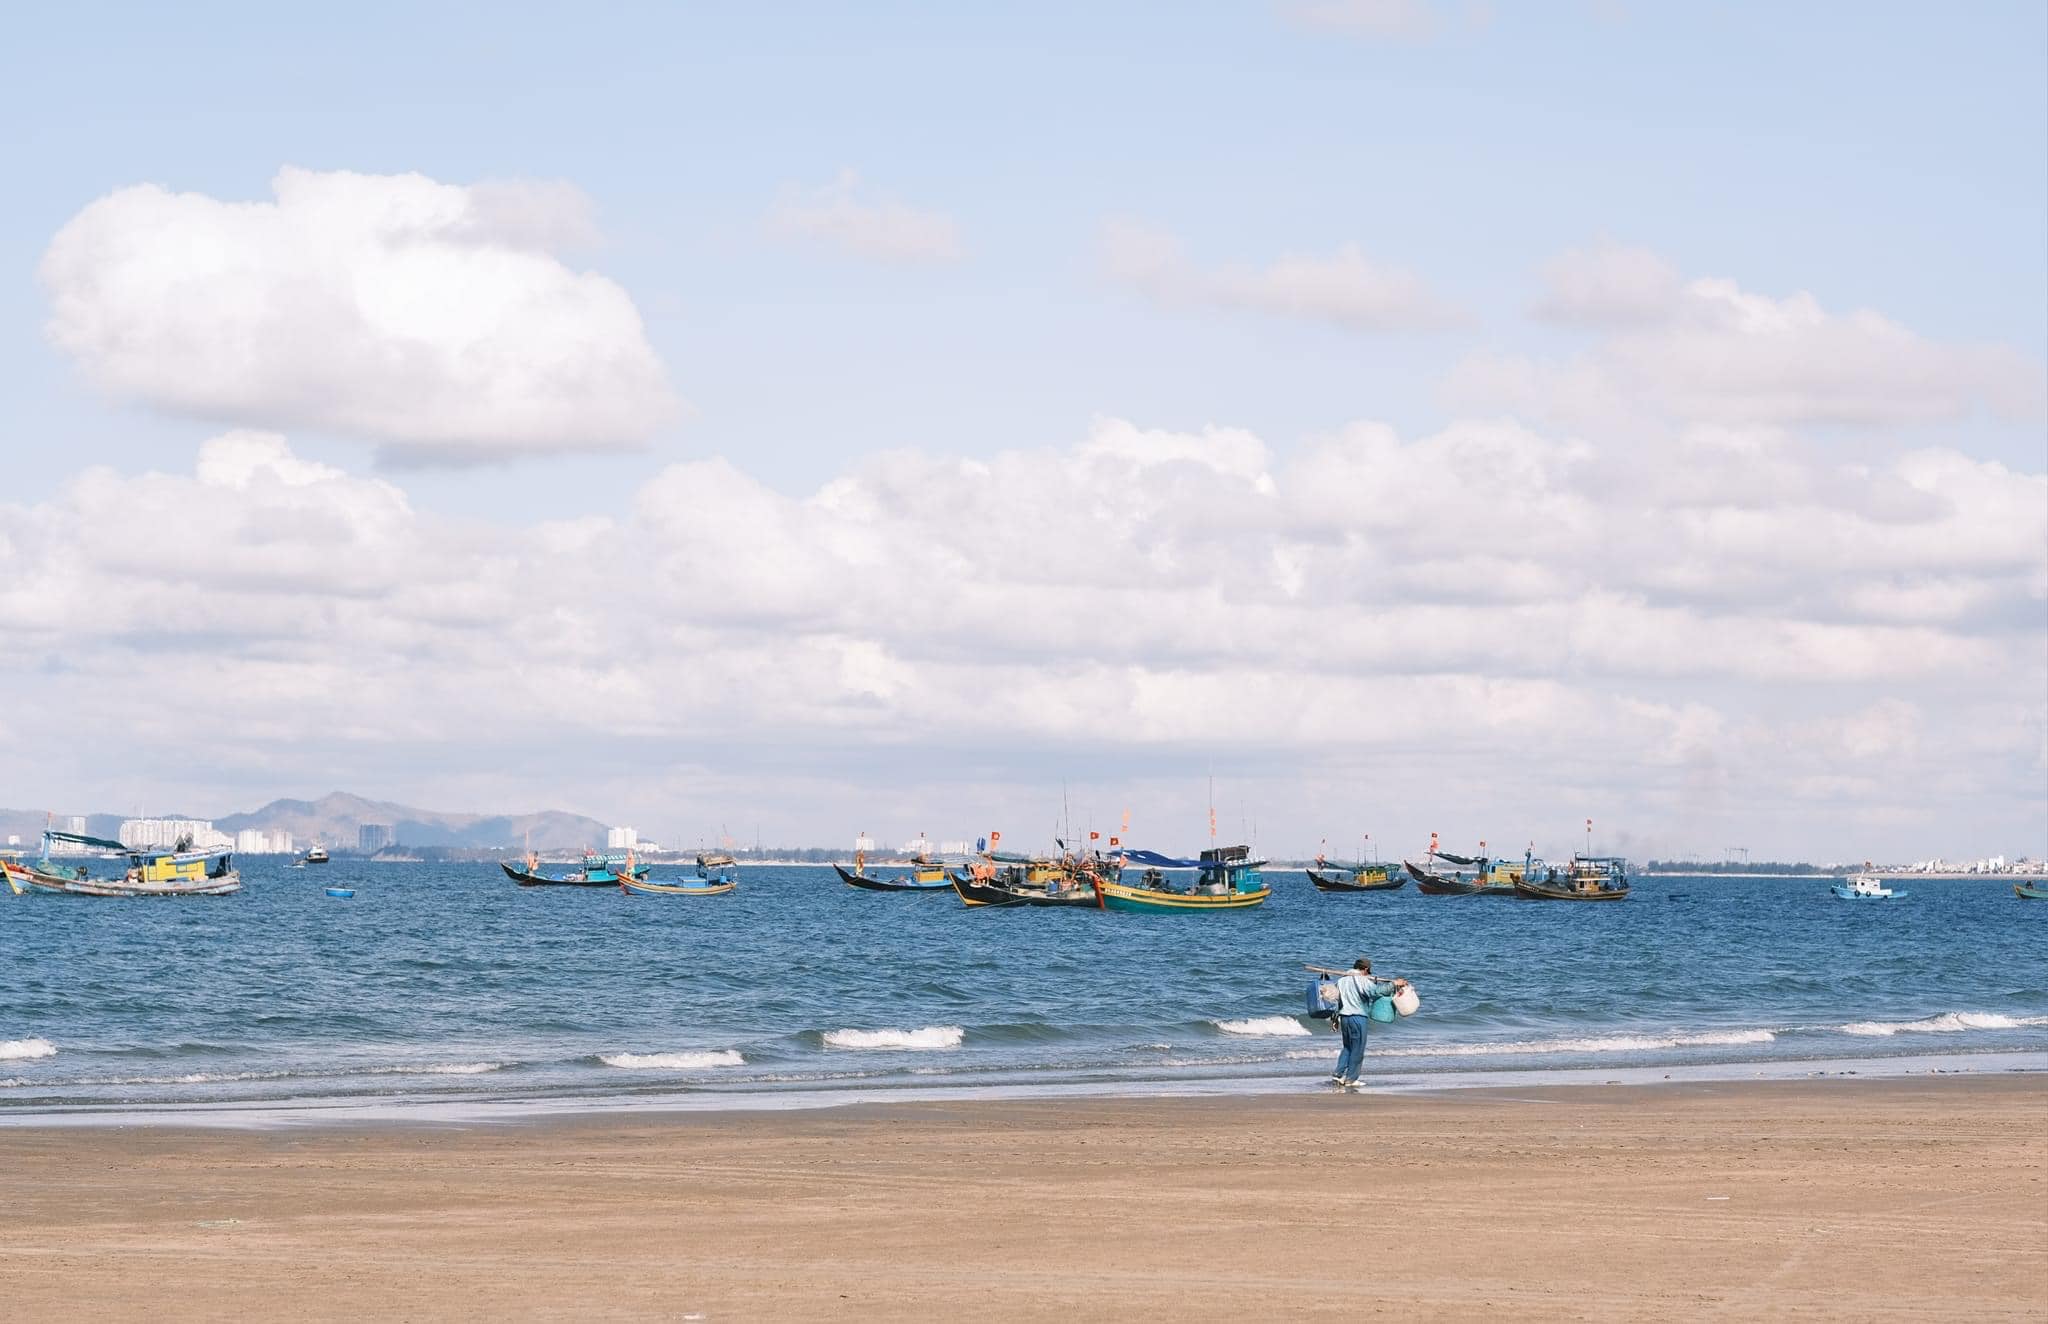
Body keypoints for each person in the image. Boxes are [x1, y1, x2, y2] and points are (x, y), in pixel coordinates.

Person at [1330, 957, 1408, 1088]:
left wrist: (1335, 1019)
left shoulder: (1341, 980)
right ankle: (1351, 1079)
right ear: (1366, 969)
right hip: (1358, 1017)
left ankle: (1337, 1075)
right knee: (1358, 1049)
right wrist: (1393, 984)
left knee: (1347, 1047)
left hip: (1344, 1017)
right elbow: (1375, 991)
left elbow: (1337, 999)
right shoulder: (1362, 980)